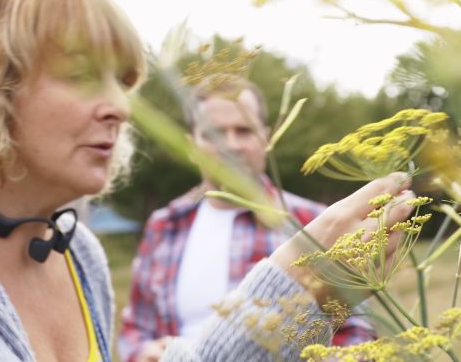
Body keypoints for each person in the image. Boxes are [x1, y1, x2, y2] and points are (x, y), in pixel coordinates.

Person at [0, 0, 415, 362]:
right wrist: (294, 289)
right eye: (82, 75)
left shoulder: (75, 249)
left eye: (123, 82)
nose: (121, 108)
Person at [117, 76, 378, 362]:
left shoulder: (314, 222)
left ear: (265, 137)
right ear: (192, 145)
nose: (232, 144)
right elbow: (135, 328)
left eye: (244, 131)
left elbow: (357, 333)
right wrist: (144, 353)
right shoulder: (164, 225)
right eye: (214, 133)